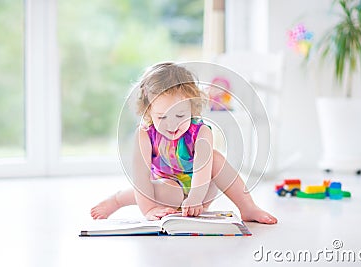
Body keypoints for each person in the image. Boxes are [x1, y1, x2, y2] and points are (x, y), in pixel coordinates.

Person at [91, 62, 277, 224]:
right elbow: (141, 177)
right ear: (148, 111)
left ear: (192, 106)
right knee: (170, 193)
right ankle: (117, 200)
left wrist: (196, 197)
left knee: (216, 158)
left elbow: (204, 167)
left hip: (200, 191)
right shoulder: (145, 135)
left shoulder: (201, 131)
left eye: (180, 115)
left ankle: (248, 207)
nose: (171, 124)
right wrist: (149, 210)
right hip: (166, 188)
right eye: (162, 117)